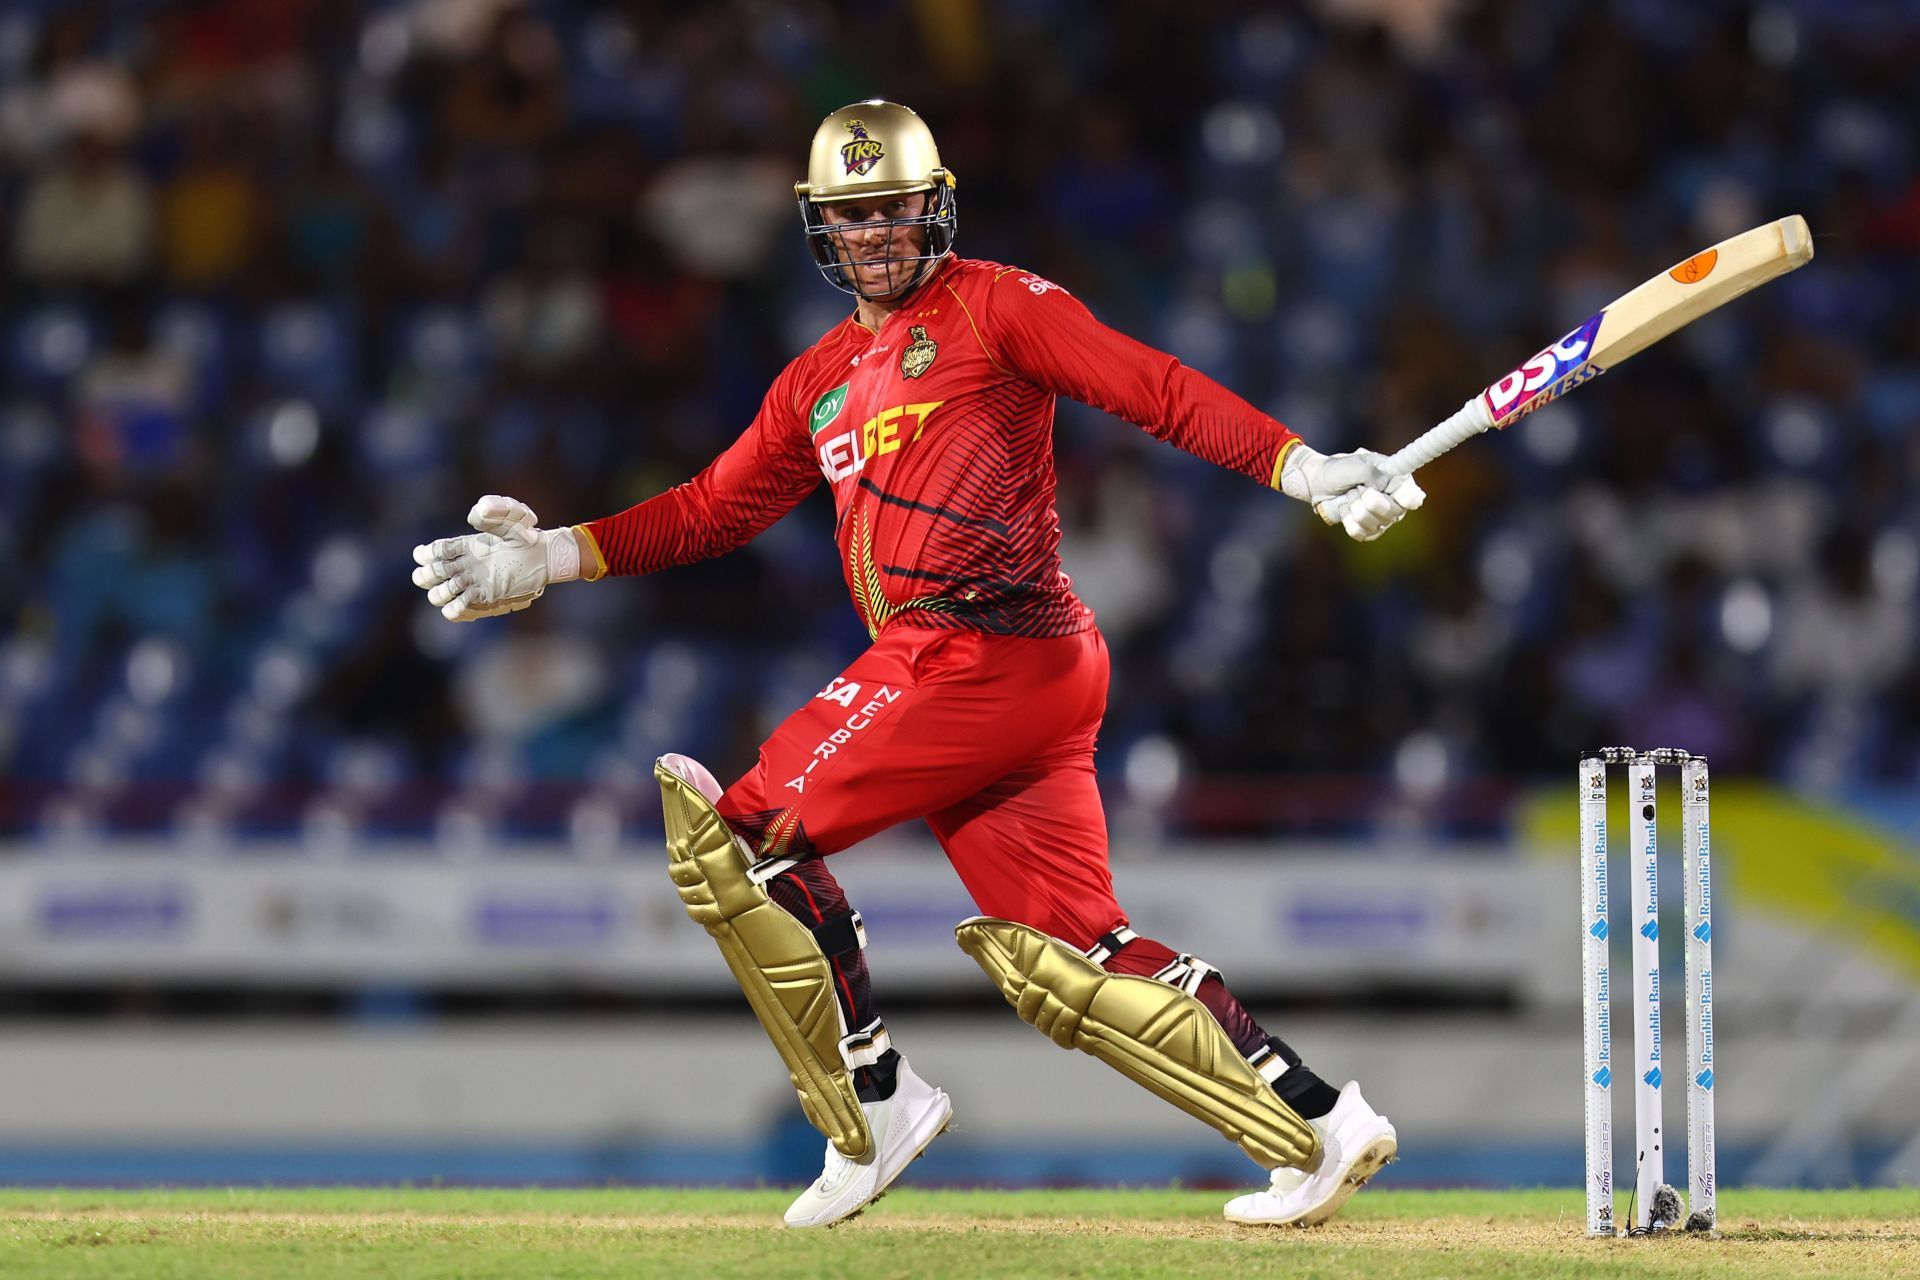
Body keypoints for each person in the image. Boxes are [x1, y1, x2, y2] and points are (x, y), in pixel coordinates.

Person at [412, 100, 1423, 1228]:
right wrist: (551, 555)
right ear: (821, 228)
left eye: (893, 206)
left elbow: (1155, 385)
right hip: (1008, 669)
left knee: (735, 845)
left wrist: (1304, 468)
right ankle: (1323, 1122)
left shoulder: (998, 304)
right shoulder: (817, 380)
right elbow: (710, 506)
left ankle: (874, 1100)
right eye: (854, 214)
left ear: (933, 206)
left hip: (976, 646)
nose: (878, 232)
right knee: (1072, 959)